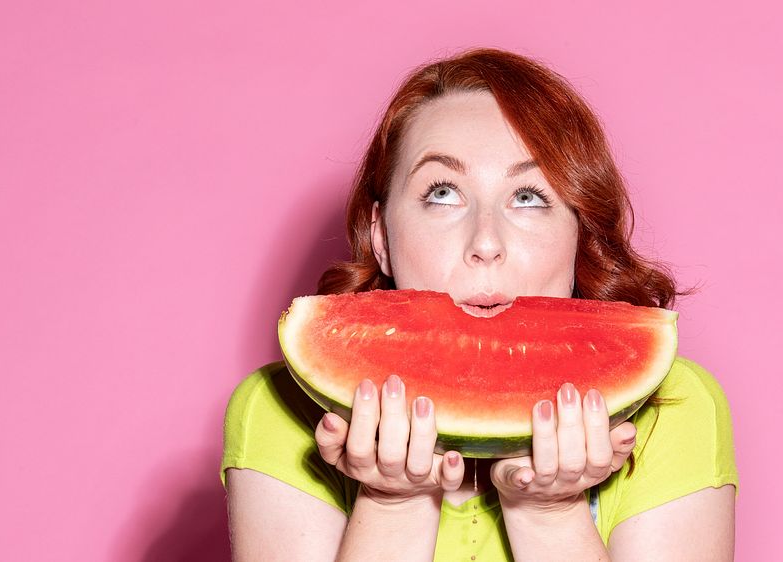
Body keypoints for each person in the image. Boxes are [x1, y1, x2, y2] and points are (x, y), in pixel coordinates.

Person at [220, 47, 738, 561]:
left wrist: (549, 514)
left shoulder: (675, 407)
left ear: (578, 233)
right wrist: (392, 504)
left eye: (529, 196)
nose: (486, 242)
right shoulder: (279, 413)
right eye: (442, 193)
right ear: (381, 234)